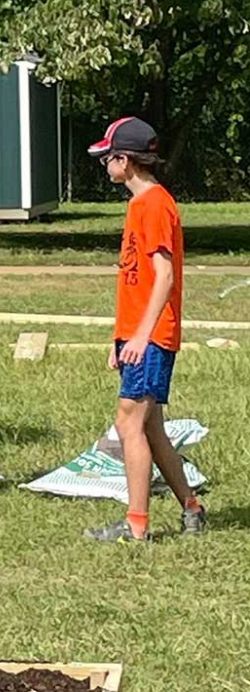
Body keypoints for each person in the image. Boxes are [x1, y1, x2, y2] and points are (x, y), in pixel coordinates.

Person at [83, 117, 207, 543]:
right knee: (150, 426)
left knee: (128, 424)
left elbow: (165, 276)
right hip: (138, 335)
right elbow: (134, 281)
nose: (105, 166)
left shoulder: (154, 204)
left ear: (127, 161)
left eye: (108, 158)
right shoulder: (140, 204)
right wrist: (120, 338)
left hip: (152, 336)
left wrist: (140, 336)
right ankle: (192, 506)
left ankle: (137, 525)